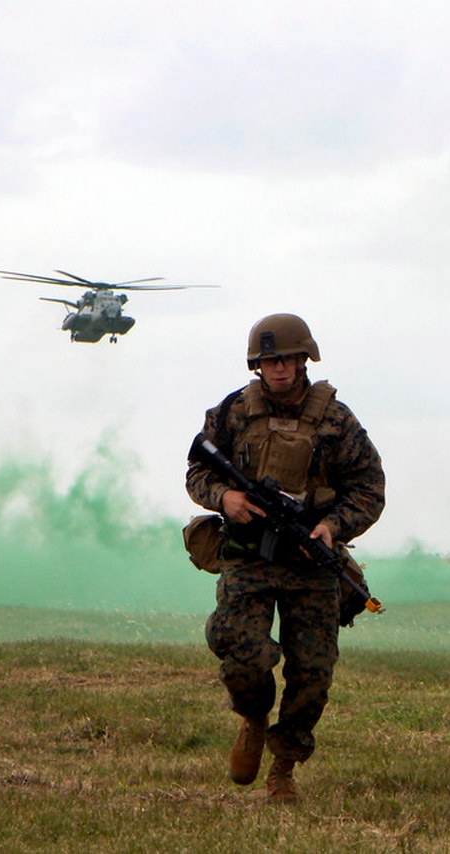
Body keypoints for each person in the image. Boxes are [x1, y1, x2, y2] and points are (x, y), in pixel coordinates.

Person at [185, 313, 386, 803]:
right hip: (248, 557)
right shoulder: (234, 412)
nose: (279, 368)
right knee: (243, 652)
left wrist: (331, 526)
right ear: (258, 364)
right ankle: (253, 717)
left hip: (310, 561)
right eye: (270, 360)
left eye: (288, 359)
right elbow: (197, 471)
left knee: (313, 673)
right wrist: (224, 499)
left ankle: (283, 769)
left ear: (304, 360)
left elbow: (370, 489)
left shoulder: (337, 420)